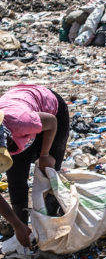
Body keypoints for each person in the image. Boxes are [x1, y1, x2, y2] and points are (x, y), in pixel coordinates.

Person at [0, 84, 70, 247]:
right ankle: (23, 233)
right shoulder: (9, 138)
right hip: (20, 114)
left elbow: (51, 122)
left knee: (48, 172)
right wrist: (17, 225)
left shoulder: (21, 122)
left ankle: (52, 229)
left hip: (50, 113)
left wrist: (45, 155)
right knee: (16, 179)